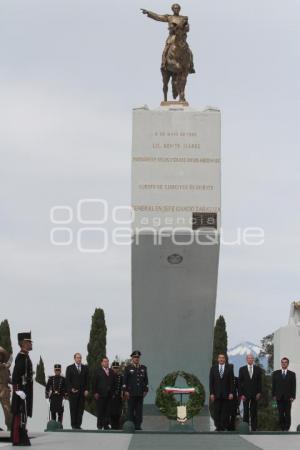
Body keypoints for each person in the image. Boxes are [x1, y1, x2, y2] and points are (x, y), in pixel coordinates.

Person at [11, 332, 33, 446]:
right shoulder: (21, 357)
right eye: (29, 342)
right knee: (19, 416)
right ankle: (17, 438)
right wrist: (18, 390)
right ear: (24, 343)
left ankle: (21, 437)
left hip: (25, 390)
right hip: (21, 392)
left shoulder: (26, 356)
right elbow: (15, 376)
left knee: (23, 415)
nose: (31, 344)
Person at [123, 351, 148, 430]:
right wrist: (125, 390)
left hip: (140, 393)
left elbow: (146, 381)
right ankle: (130, 425)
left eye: (138, 357)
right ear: (132, 358)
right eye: (135, 357)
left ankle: (138, 425)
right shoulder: (128, 368)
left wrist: (145, 390)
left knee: (139, 411)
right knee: (130, 410)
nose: (136, 359)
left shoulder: (143, 368)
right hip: (131, 393)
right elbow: (125, 381)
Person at [209, 353, 234, 431]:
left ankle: (223, 426)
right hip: (216, 394)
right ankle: (218, 426)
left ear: (225, 359)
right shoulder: (213, 368)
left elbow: (231, 382)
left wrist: (231, 393)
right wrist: (212, 393)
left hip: (226, 394)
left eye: (223, 358)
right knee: (216, 411)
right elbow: (211, 382)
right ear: (218, 359)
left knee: (225, 411)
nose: (221, 359)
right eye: (220, 357)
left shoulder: (229, 368)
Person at [238, 354, 262, 431]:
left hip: (255, 394)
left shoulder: (258, 369)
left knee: (254, 411)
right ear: (246, 359)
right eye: (249, 358)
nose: (250, 359)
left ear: (253, 359)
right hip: (245, 394)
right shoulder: (242, 369)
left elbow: (259, 382)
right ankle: (245, 428)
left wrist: (259, 392)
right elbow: (239, 383)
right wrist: (241, 394)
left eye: (252, 358)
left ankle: (254, 429)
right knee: (245, 411)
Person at [272, 357, 296, 431]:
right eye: (282, 362)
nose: (284, 363)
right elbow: (273, 385)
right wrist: (273, 395)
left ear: (287, 364)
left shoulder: (292, 374)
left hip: (288, 397)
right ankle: (282, 428)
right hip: (279, 397)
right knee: (281, 414)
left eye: (285, 362)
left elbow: (293, 386)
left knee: (288, 414)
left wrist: (293, 396)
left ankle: (287, 428)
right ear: (281, 363)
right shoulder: (275, 373)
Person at [65, 353, 89, 430]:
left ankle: (78, 425)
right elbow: (67, 381)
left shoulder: (85, 368)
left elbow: (87, 380)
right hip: (73, 393)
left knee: (80, 409)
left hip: (82, 393)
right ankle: (73, 425)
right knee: (73, 409)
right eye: (78, 358)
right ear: (74, 358)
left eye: (80, 358)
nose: (79, 359)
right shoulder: (69, 368)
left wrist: (86, 390)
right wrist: (71, 389)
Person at [93, 357, 115, 430]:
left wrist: (113, 392)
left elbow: (113, 383)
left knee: (107, 411)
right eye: (105, 362)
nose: (106, 363)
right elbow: (94, 383)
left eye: (107, 361)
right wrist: (95, 392)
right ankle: (99, 425)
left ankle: (106, 425)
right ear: (102, 363)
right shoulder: (97, 371)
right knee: (100, 410)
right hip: (100, 394)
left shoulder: (111, 371)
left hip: (109, 394)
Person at [0, 347, 12, 431]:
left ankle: (10, 427)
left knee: (7, 411)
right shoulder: (4, 366)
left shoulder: (6, 368)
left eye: (1, 355)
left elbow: (9, 379)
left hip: (4, 390)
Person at [110, 361, 123, 430]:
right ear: (112, 368)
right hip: (111, 398)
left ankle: (117, 428)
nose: (115, 369)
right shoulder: (109, 376)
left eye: (117, 368)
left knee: (118, 413)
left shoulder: (120, 376)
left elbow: (123, 386)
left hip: (118, 398)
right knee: (112, 413)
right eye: (114, 368)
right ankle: (112, 427)